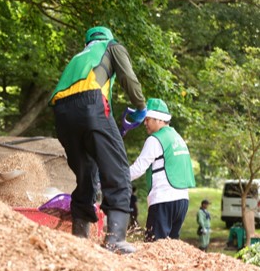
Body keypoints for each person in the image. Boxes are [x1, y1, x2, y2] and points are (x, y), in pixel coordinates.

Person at [49, 26, 147, 254]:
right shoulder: (111, 46)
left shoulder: (78, 57)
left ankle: (80, 238)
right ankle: (115, 240)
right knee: (119, 171)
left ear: (86, 42)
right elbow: (128, 78)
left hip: (61, 113)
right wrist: (141, 107)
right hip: (91, 104)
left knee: (86, 174)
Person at [129, 98, 196, 242]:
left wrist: (114, 177)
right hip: (182, 201)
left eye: (148, 119)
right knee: (171, 248)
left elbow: (138, 169)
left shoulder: (155, 139)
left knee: (154, 247)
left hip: (163, 201)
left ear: (159, 120)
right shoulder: (178, 138)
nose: (144, 123)